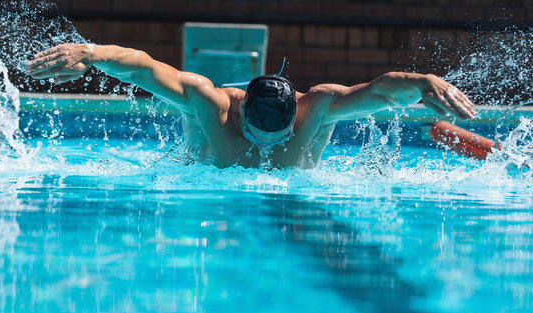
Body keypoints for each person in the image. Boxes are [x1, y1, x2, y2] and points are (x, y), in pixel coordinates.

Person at [26, 43, 476, 169]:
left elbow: (379, 91)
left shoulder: (315, 107)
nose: (263, 151)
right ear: (240, 114)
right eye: (255, 137)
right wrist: (91, 54)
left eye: (278, 138)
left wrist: (421, 81)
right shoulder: (210, 102)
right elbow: (144, 68)